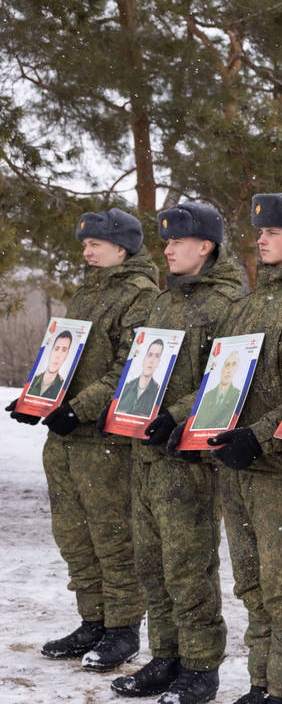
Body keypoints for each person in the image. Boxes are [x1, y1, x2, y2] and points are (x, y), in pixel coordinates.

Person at [6, 208, 157, 672]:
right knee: (74, 537)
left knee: (113, 538)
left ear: (121, 248)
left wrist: (80, 409)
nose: (86, 251)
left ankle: (122, 630)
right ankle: (92, 621)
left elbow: (130, 369)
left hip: (105, 442)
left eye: (95, 243)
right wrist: (37, 399)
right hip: (66, 440)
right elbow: (62, 358)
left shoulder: (139, 296)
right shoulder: (85, 293)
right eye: (84, 243)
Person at [204, 190, 282, 704]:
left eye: (273, 231)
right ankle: (262, 682)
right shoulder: (249, 304)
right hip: (238, 469)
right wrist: (189, 421)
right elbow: (223, 382)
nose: (260, 238)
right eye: (259, 230)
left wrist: (258, 439)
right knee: (253, 586)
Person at [109, 203, 242, 704]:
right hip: (145, 456)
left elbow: (228, 378)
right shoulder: (165, 303)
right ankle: (165, 657)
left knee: (188, 569)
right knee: (154, 565)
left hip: (187, 460)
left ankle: (200, 667)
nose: (164, 249)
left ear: (205, 246)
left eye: (175, 242)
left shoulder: (227, 305)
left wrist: (178, 413)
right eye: (163, 242)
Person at [191, 351, 242, 430]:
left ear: (237, 369)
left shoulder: (239, 396)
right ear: (221, 368)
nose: (229, 370)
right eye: (227, 365)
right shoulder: (206, 396)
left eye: (234, 365)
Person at [115, 338, 164, 417]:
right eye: (150, 355)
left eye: (157, 356)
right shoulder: (126, 387)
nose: (151, 360)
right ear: (144, 359)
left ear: (158, 362)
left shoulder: (158, 392)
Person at [27, 330, 73, 400]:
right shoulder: (33, 381)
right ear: (50, 351)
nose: (58, 355)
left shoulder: (63, 388)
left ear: (66, 355)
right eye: (56, 349)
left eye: (64, 350)